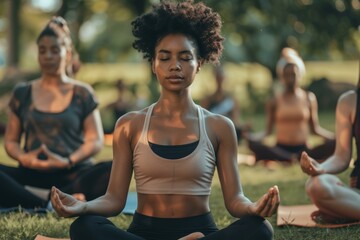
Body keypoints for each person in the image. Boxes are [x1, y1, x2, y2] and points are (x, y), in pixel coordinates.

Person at [50, 1, 280, 240]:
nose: (175, 66)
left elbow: (234, 201)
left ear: (199, 63)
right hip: (143, 232)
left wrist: (253, 208)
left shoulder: (219, 127)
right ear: (153, 64)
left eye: (184, 57)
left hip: (199, 229)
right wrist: (83, 207)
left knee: (260, 228)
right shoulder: (129, 125)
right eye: (165, 57)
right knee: (84, 225)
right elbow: (114, 200)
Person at [0, 16, 111, 209]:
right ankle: (47, 201)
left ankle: (39, 197)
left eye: (54, 50)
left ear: (67, 54)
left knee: (111, 170)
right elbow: (10, 141)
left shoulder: (82, 93)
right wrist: (25, 158)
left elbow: (95, 140)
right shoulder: (22, 92)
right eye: (42, 51)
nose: (48, 56)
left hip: (72, 174)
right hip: (32, 172)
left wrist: (67, 161)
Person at [246, 47, 335, 164]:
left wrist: (335, 138)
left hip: (304, 148)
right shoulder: (274, 100)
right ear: (282, 76)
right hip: (280, 148)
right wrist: (251, 138)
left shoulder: (309, 98)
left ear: (300, 75)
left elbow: (315, 130)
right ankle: (291, 157)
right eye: (287, 75)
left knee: (335, 143)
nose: (290, 79)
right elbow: (267, 132)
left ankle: (293, 158)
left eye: (293, 75)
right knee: (254, 145)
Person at [300, 62, 360, 222]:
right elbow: (341, 157)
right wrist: (320, 168)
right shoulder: (349, 102)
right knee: (316, 185)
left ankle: (347, 213)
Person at [200, 65, 249, 143]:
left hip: (228, 131)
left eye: (221, 78)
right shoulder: (207, 100)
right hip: (212, 132)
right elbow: (203, 120)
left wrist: (243, 126)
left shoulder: (232, 100)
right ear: (215, 79)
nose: (220, 80)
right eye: (218, 78)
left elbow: (235, 120)